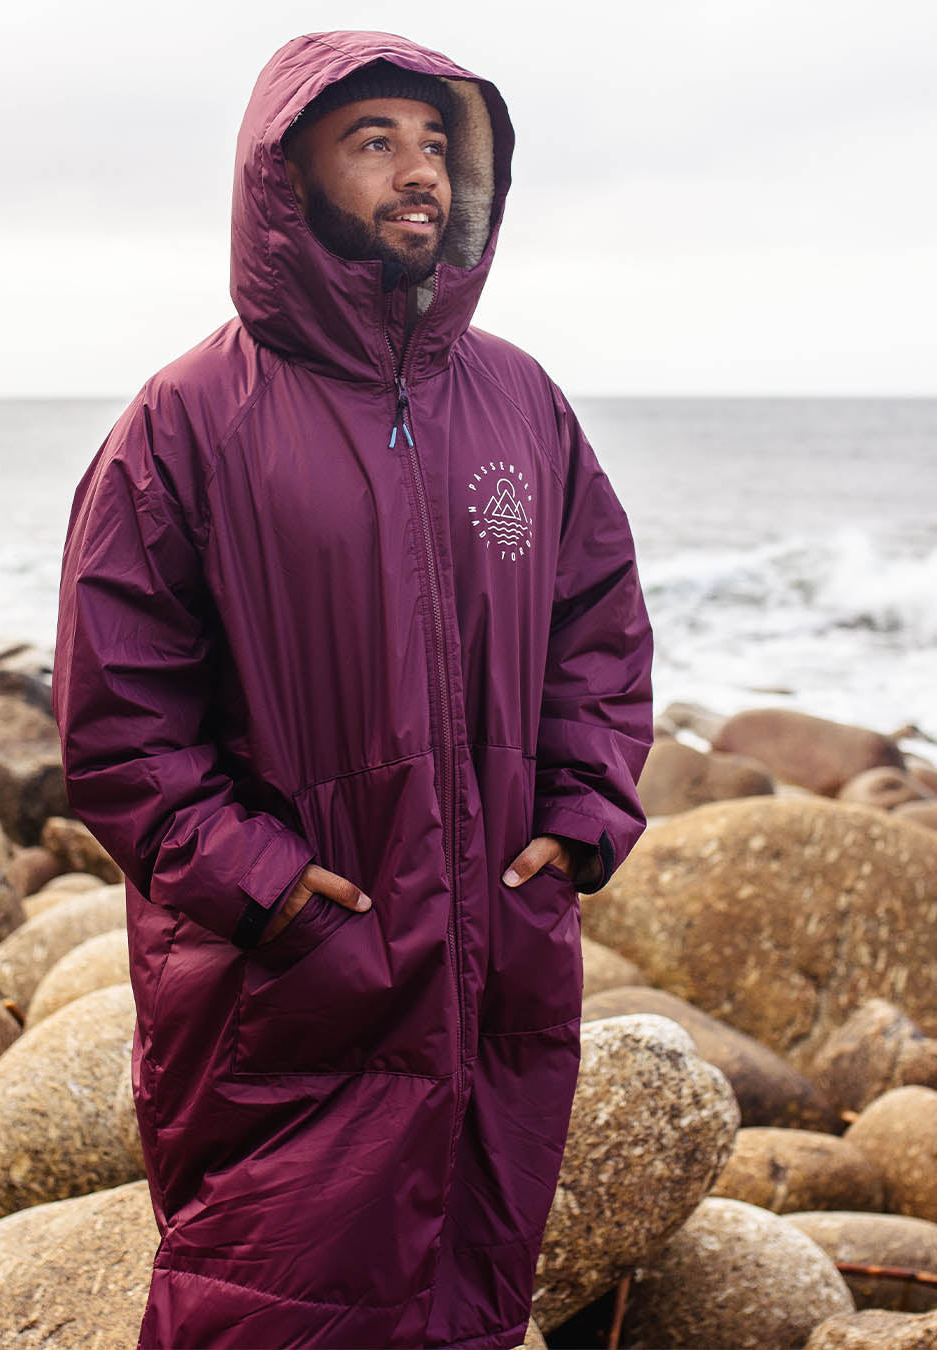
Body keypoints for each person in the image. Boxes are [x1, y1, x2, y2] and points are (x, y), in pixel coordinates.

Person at [52, 29, 653, 1350]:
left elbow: (597, 622)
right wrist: (261, 887)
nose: (418, 171)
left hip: (496, 950)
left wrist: (578, 814)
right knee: (262, 1299)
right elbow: (119, 720)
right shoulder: (188, 419)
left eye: (436, 143)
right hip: (292, 971)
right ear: (287, 176)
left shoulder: (519, 401)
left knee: (473, 1291)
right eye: (374, 141)